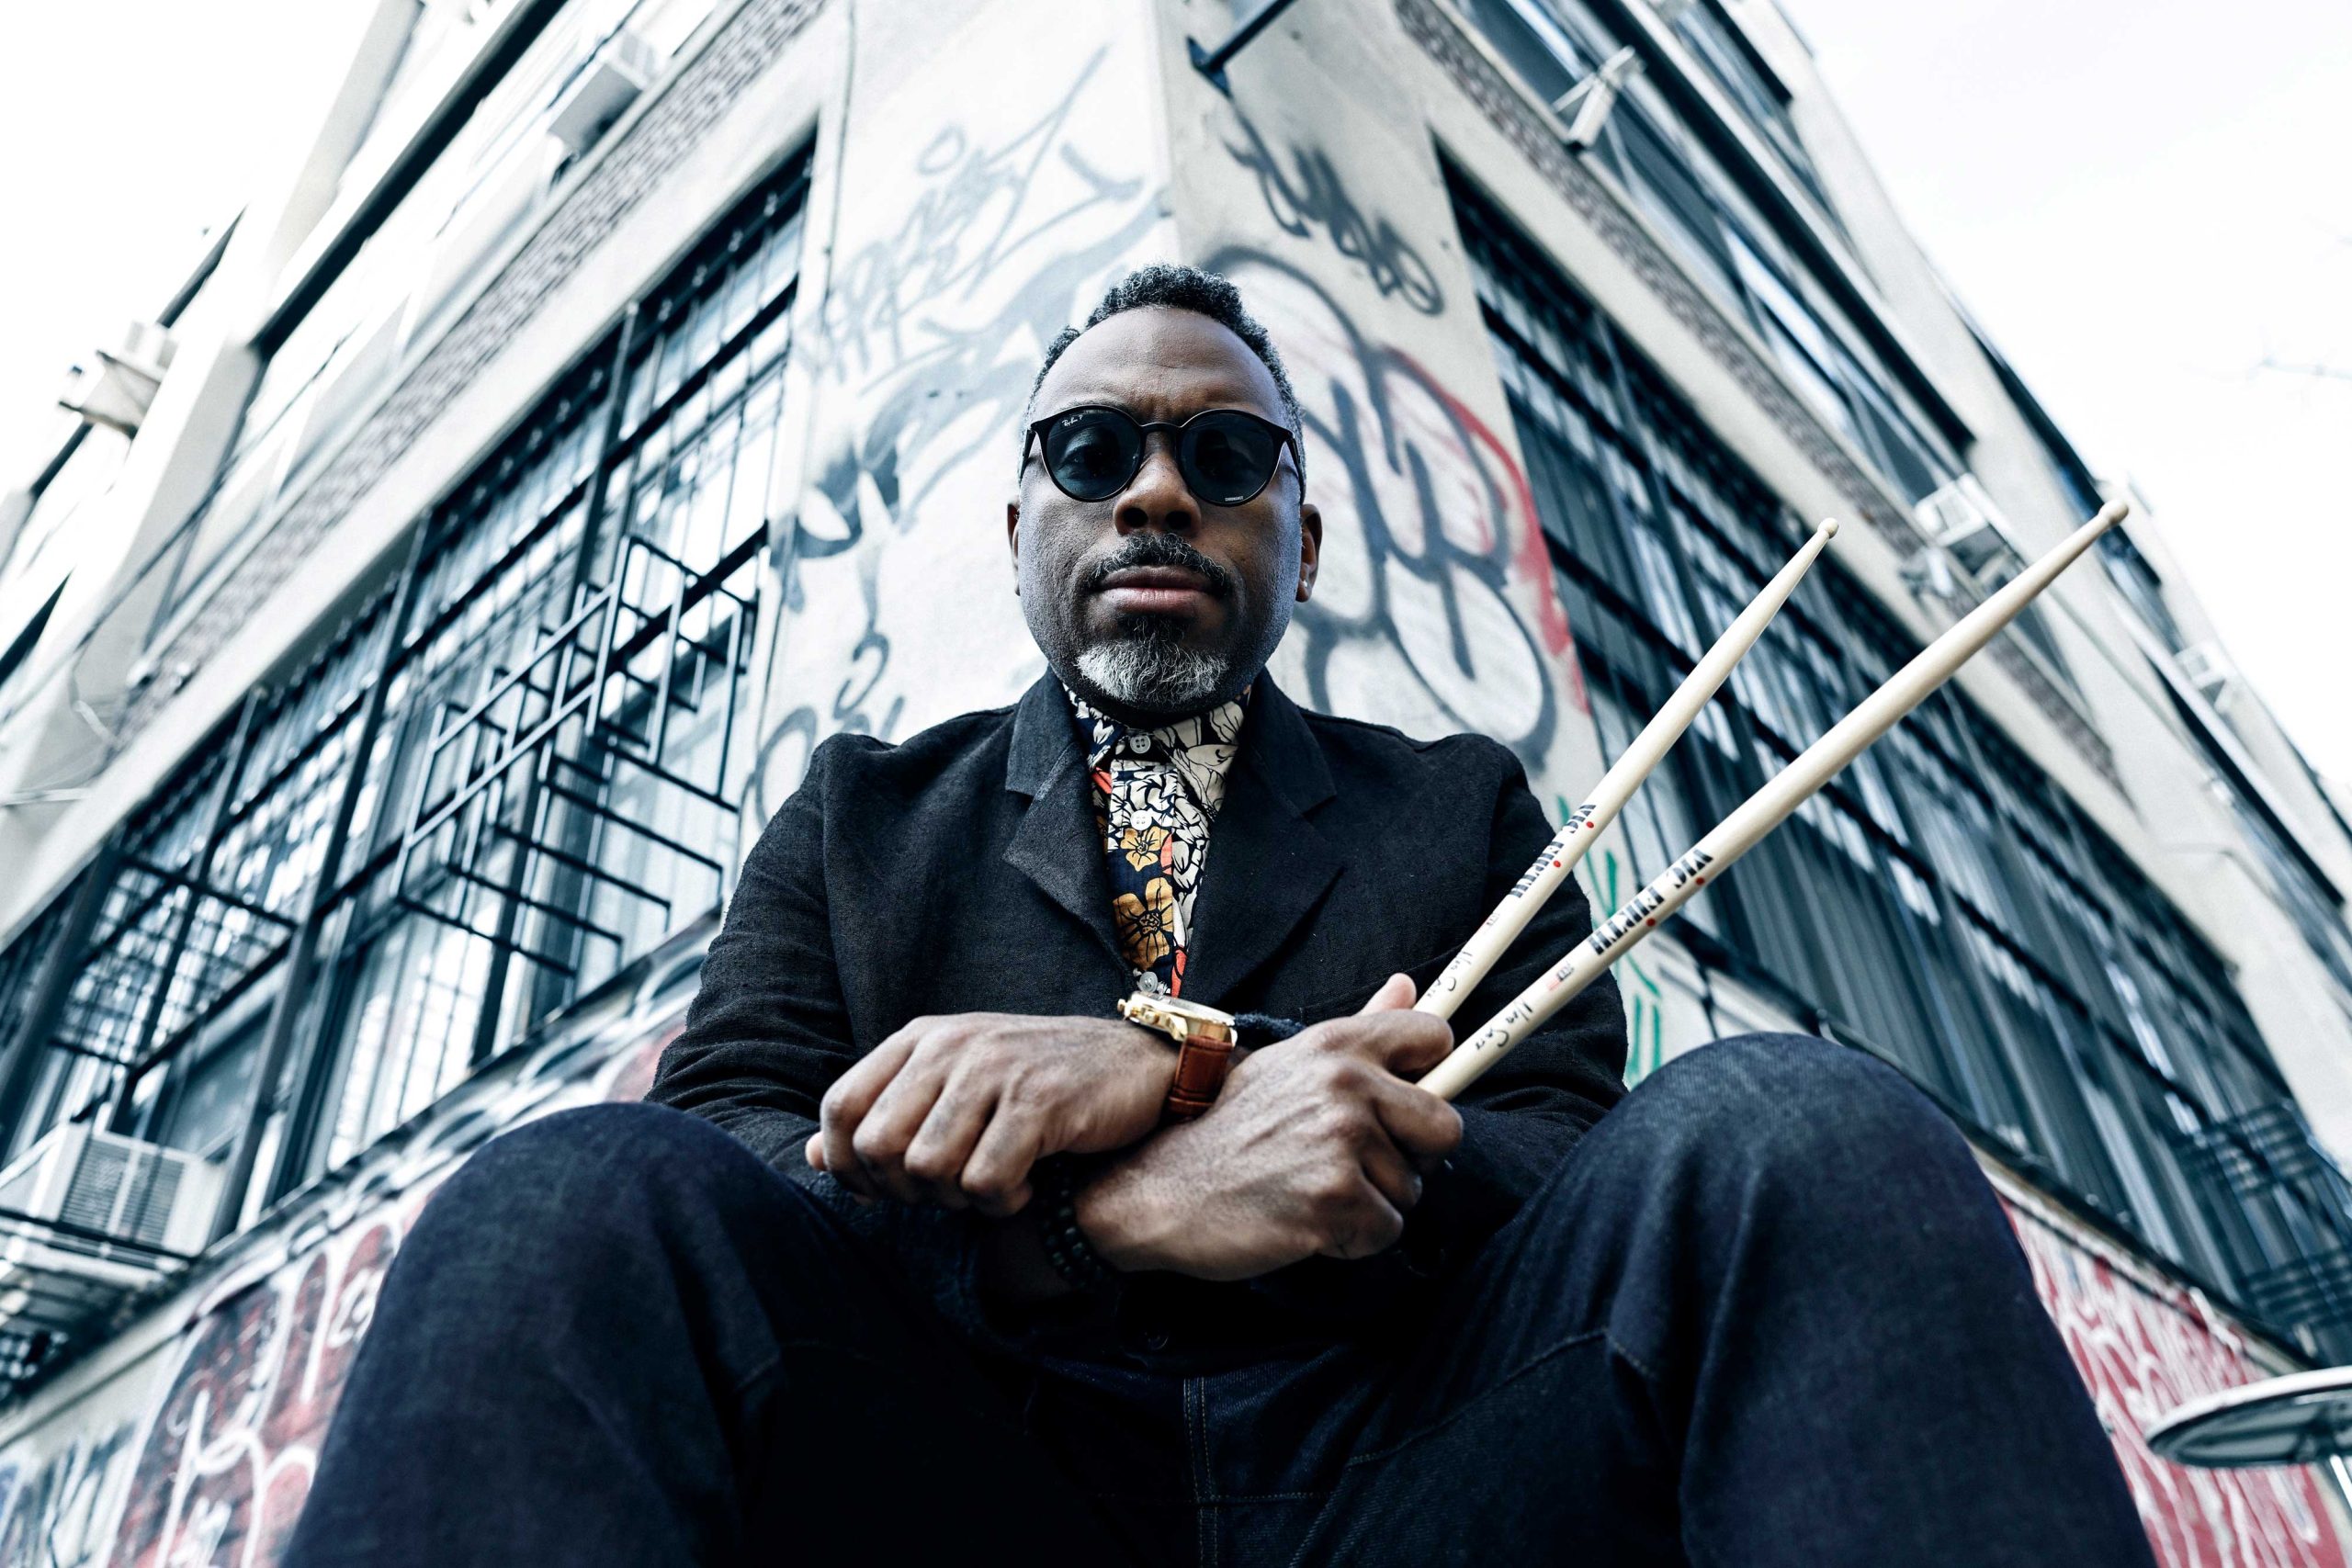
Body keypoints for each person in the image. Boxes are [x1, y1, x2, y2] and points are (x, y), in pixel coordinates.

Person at [283, 265, 2155, 1566]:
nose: (1159, 491)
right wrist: (1096, 1215)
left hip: (1420, 1479)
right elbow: (729, 1153)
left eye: (1227, 456)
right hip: (969, 1479)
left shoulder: (1456, 803)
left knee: (1798, 1123)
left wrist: (1186, 1061)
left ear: (1300, 539)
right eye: (1094, 453)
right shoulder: (858, 816)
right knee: (560, 1195)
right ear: (1021, 524)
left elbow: (1567, 1157)